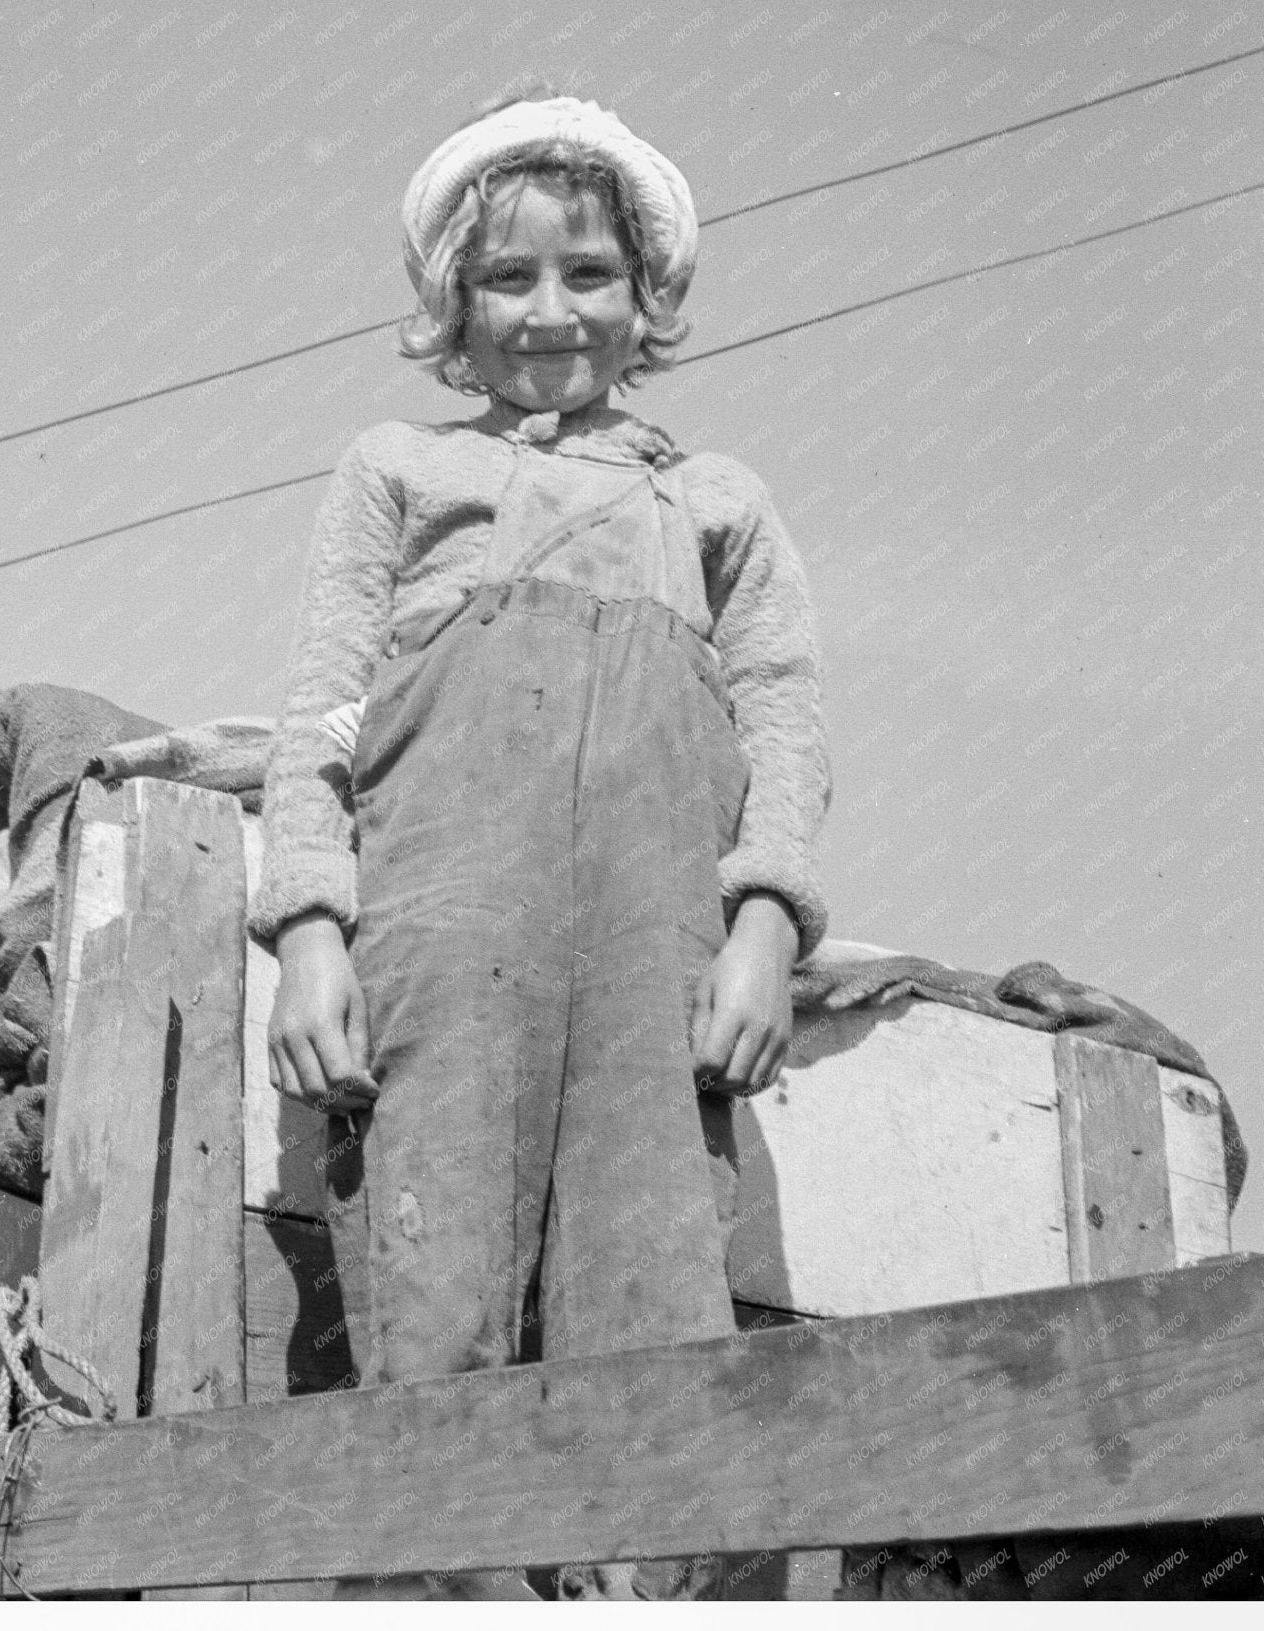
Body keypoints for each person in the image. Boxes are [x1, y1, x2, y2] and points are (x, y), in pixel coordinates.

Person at [250, 89, 830, 1597]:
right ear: (452, 302)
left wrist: (765, 927)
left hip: (657, 963)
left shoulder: (720, 506)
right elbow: (317, 720)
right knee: (435, 1294)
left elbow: (783, 725)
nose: (550, 312)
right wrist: (312, 930)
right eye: (507, 279)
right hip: (444, 940)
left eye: (589, 275)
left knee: (654, 1297)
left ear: (651, 299)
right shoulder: (397, 470)